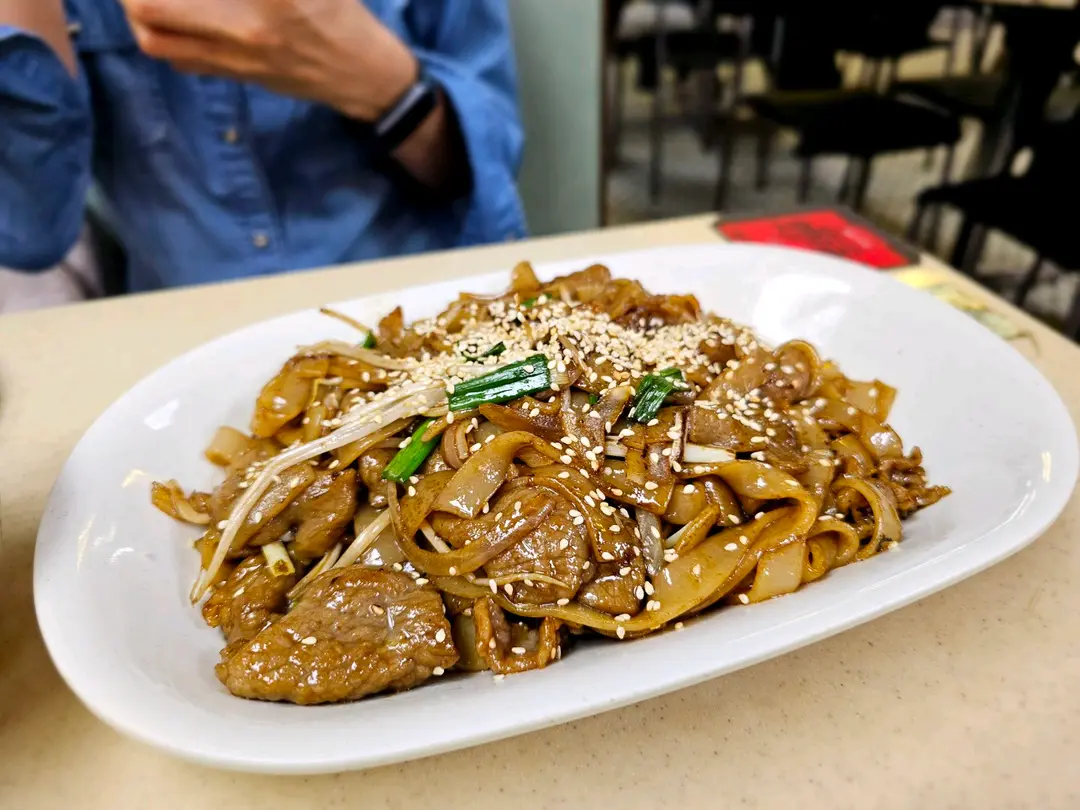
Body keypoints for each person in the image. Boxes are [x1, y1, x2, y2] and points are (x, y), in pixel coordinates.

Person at [0, 0, 526, 292]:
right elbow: (31, 233)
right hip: (177, 337)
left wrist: (382, 84)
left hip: (412, 298)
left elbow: (487, 171)